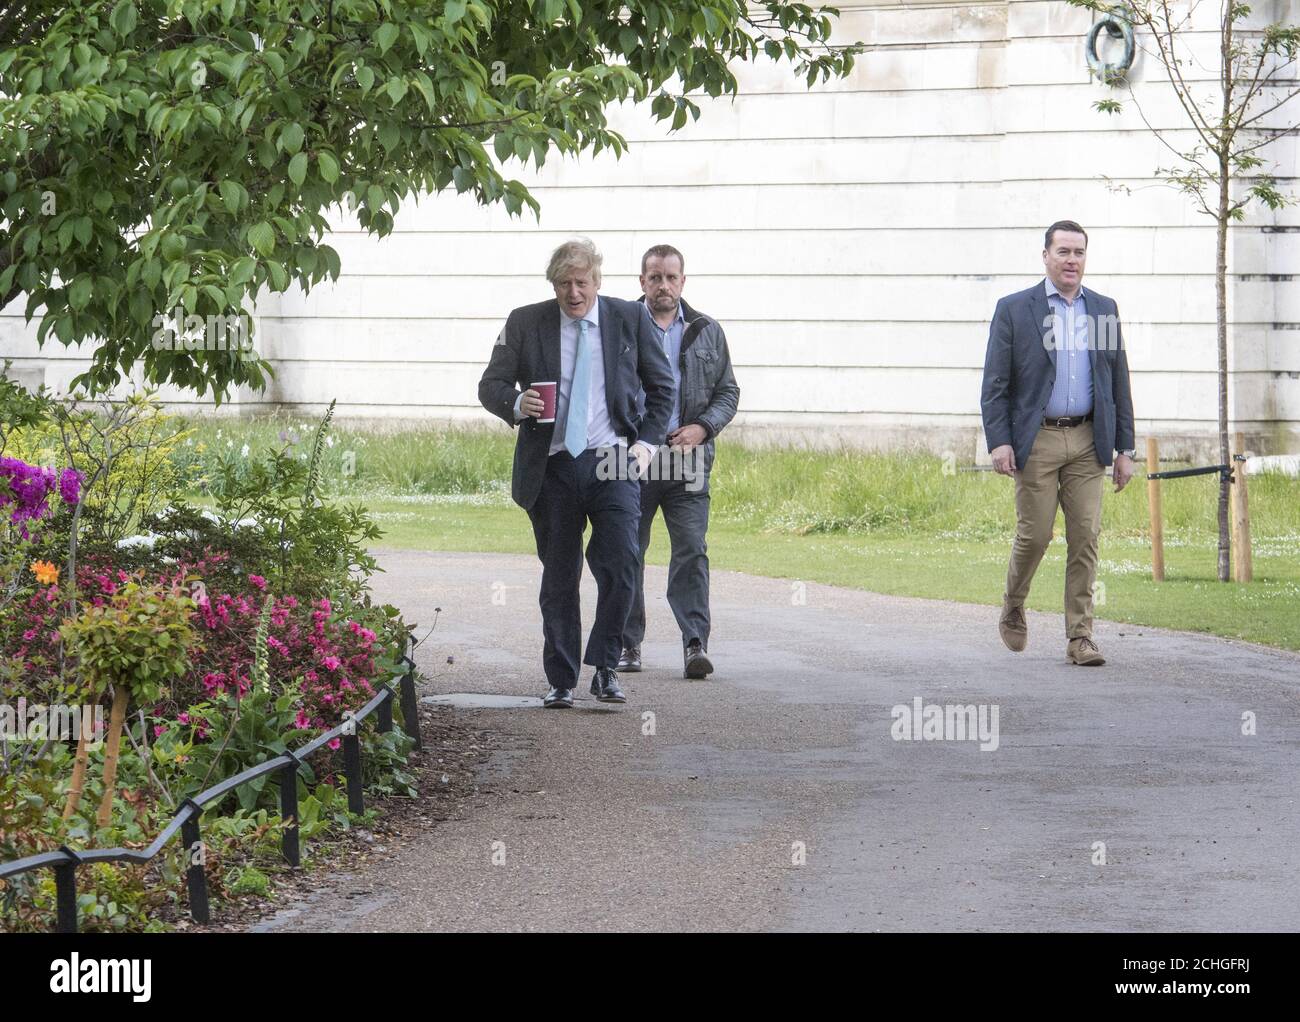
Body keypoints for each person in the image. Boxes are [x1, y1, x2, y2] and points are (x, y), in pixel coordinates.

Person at [479, 238, 675, 707]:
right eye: (564, 284)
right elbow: (491, 384)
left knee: (623, 563)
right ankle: (562, 679)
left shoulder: (628, 319)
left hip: (613, 460)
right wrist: (514, 402)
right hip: (553, 465)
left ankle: (606, 666)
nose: (573, 293)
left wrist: (644, 449)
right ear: (554, 285)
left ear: (597, 282)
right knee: (560, 576)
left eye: (581, 283)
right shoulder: (526, 321)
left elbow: (662, 389)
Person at [980, 220, 1136, 666]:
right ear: (1046, 256)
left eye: (1079, 252)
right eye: (1064, 252)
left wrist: (1125, 448)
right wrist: (1000, 441)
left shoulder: (1102, 309)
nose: (1072, 261)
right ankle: (1013, 603)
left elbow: (1117, 381)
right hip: (1039, 439)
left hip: (1089, 440)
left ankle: (1080, 637)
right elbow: (995, 384)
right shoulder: (1014, 309)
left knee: (1085, 536)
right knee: (1036, 535)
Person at [618, 245, 740, 679]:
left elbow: (728, 392)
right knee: (628, 550)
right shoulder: (620, 325)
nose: (663, 285)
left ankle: (694, 644)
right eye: (655, 277)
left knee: (691, 551)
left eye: (671, 277)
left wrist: (703, 427)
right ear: (642, 281)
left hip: (687, 462)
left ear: (683, 282)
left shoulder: (707, 330)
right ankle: (627, 644)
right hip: (634, 459)